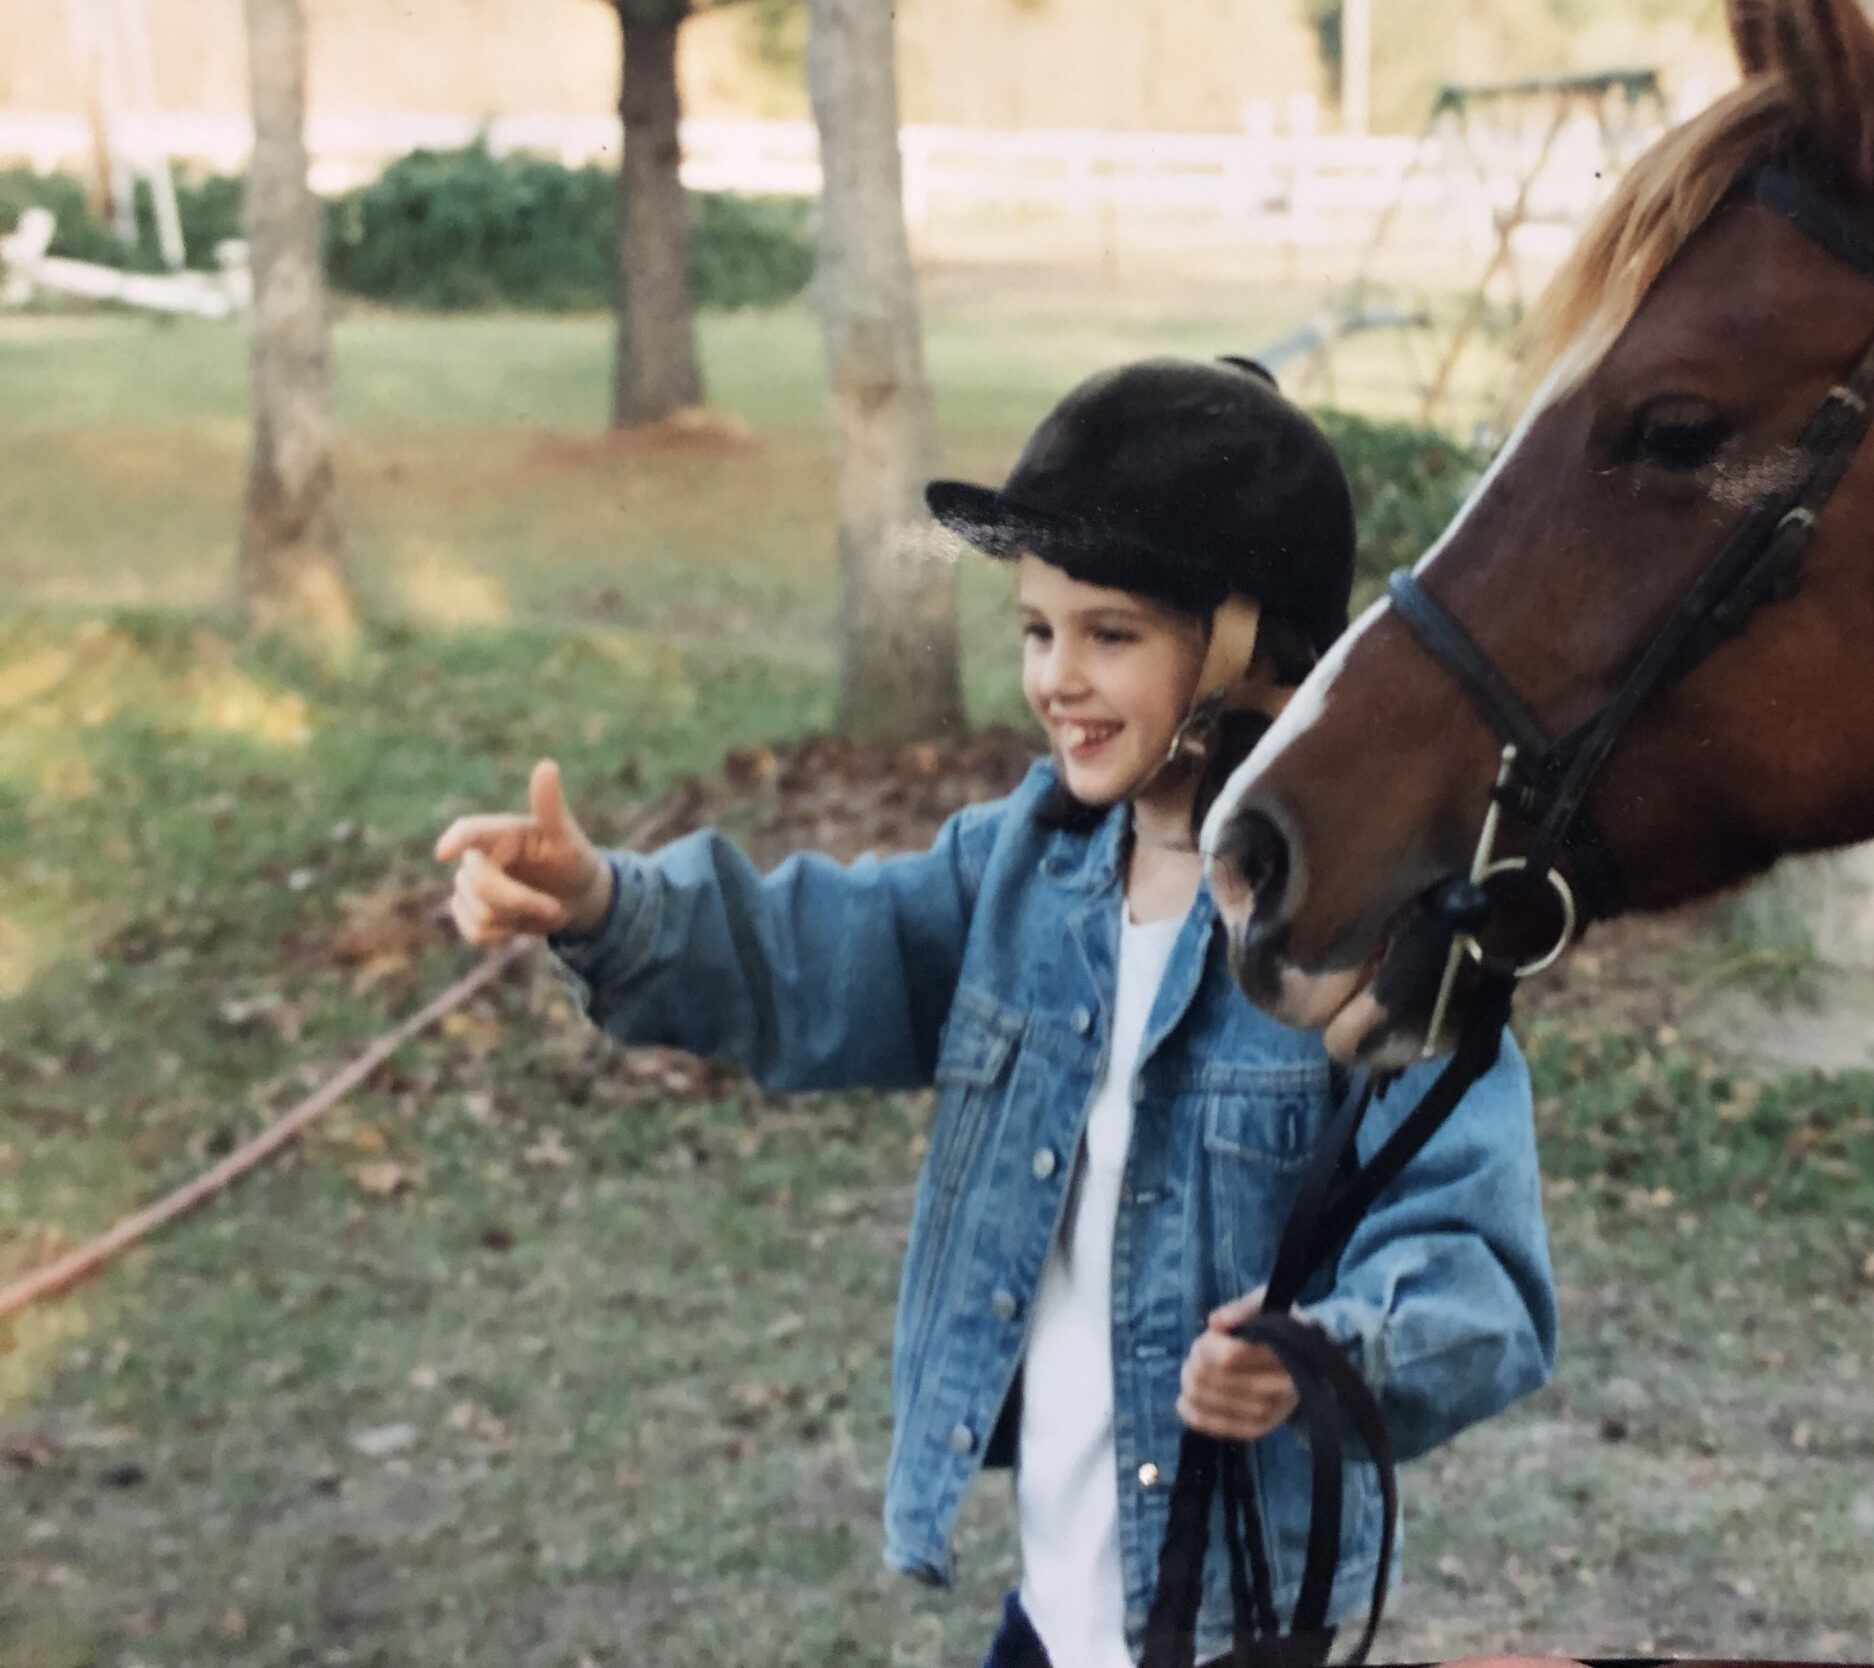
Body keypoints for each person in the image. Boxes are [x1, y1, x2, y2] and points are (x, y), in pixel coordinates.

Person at [434, 357, 1557, 1668]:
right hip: (1054, 1609)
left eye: (1111, 633)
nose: (1057, 678)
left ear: (1255, 647)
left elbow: (1485, 1280)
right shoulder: (1020, 870)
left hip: (1231, 1625)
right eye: (1038, 628)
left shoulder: (1365, 938)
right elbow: (809, 959)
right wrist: (602, 904)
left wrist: (1324, 1354)